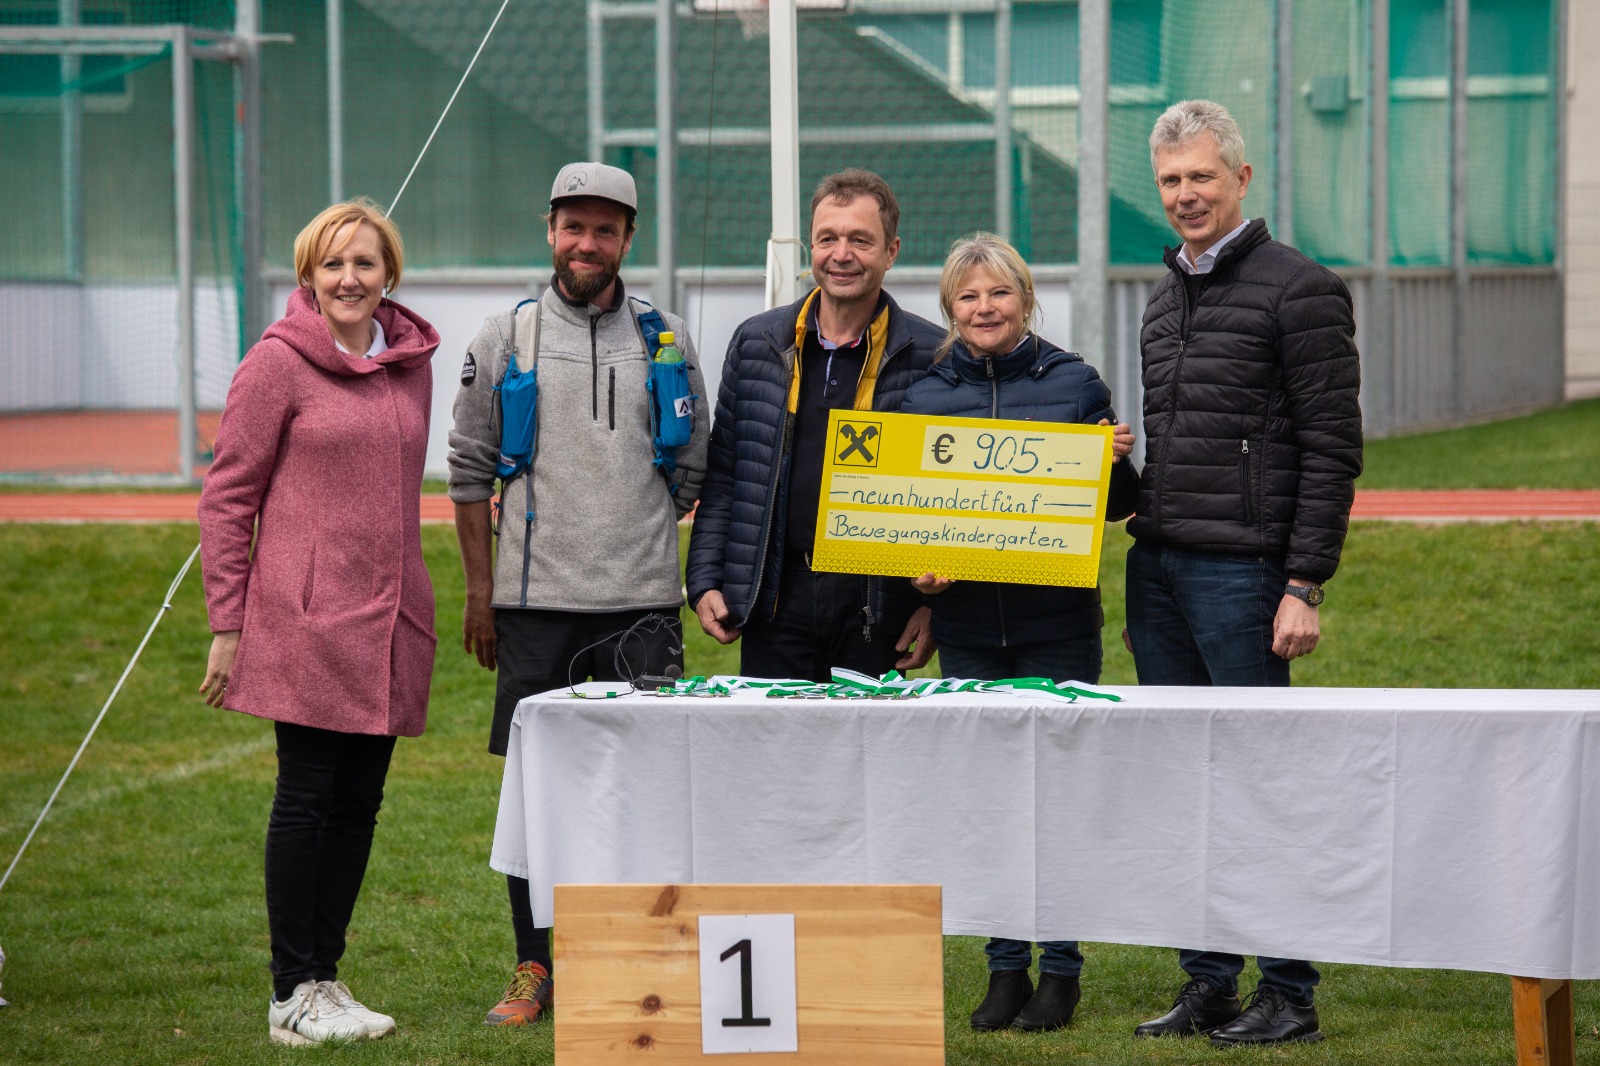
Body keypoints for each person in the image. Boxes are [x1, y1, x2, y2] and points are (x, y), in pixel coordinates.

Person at [446, 161, 710, 1028]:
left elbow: (694, 462)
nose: (586, 243)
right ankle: (535, 966)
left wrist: (636, 528)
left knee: (646, 794)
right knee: (536, 801)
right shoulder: (504, 337)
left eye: (604, 229)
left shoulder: (668, 338)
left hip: (642, 606)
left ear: (628, 238)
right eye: (572, 226)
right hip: (534, 610)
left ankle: (631, 960)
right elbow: (468, 473)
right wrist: (482, 595)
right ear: (550, 230)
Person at [1125, 99, 1363, 1047]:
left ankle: (1290, 992)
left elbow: (1332, 447)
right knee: (1186, 786)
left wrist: (1304, 583)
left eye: (1202, 176)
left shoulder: (1300, 289)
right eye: (1171, 181)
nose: (1186, 194)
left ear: (1241, 178)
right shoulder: (1161, 298)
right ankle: (1210, 983)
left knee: (1261, 784)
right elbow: (1179, 449)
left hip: (1247, 577)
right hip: (1160, 571)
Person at [197, 198, 440, 1045]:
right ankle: (288, 993)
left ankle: (323, 979)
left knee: (359, 803)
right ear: (308, 275)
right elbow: (228, 496)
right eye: (332, 263)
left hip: (391, 621)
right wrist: (228, 621)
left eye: (364, 262)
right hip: (306, 622)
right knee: (306, 795)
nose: (348, 278)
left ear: (389, 274)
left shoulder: (412, 365)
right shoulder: (275, 364)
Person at [899, 233, 1139, 1033]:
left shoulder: (1074, 381)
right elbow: (905, 519)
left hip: (1058, 627)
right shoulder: (922, 397)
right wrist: (918, 579)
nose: (984, 308)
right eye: (968, 296)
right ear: (949, 308)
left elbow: (1119, 506)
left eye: (999, 292)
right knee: (988, 803)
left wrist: (1114, 460)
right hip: (969, 632)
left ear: (1027, 300)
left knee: (1058, 800)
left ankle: (1060, 973)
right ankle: (1005, 969)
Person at [686, 169, 944, 680]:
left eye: (860, 240)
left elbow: (949, 491)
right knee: (773, 733)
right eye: (828, 239)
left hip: (878, 606)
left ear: (891, 251)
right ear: (811, 247)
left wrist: (932, 606)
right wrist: (705, 579)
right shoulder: (757, 342)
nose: (841, 254)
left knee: (868, 735)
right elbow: (727, 473)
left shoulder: (933, 354)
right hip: (774, 597)